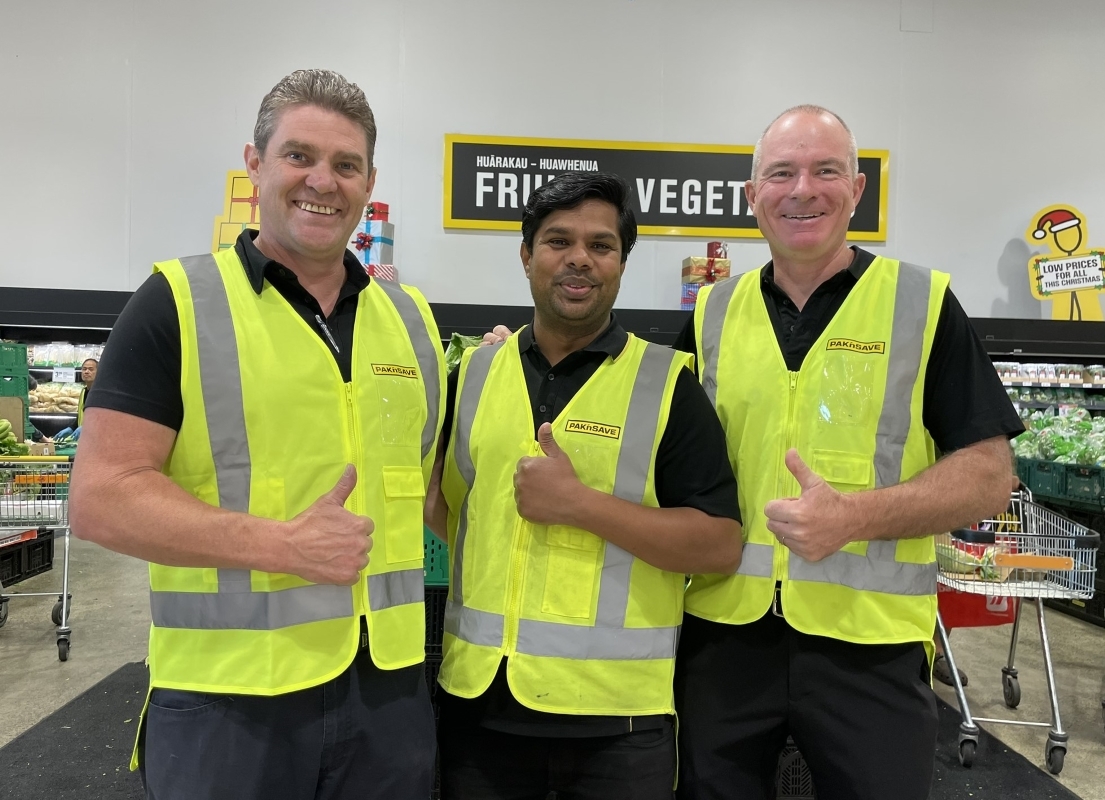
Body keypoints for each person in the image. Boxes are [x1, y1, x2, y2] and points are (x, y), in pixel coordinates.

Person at [69, 69, 445, 800]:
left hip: (387, 697)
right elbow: (101, 498)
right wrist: (282, 546)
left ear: (369, 181)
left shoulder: (412, 323)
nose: (322, 181)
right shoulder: (176, 302)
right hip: (227, 702)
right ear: (255, 164)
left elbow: (428, 488)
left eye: (346, 164)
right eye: (298, 156)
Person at [670, 105, 1025, 800]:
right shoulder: (712, 313)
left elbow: (987, 479)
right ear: (751, 197)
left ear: (857, 190)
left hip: (871, 650)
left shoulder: (921, 305)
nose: (801, 189)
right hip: (723, 639)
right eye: (781, 172)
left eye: (824, 170)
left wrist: (853, 517)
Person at [424, 171, 743, 800]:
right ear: (526, 255)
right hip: (481, 706)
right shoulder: (476, 374)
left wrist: (581, 506)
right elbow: (453, 512)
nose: (579, 259)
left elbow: (719, 545)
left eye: (600, 245)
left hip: (617, 726)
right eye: (557, 241)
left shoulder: (667, 384)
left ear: (622, 263)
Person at [76, 357, 97, 426]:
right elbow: (80, 416)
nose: (86, 372)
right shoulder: (83, 391)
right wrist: (71, 428)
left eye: (91, 369)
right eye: (84, 369)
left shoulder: (101, 394)